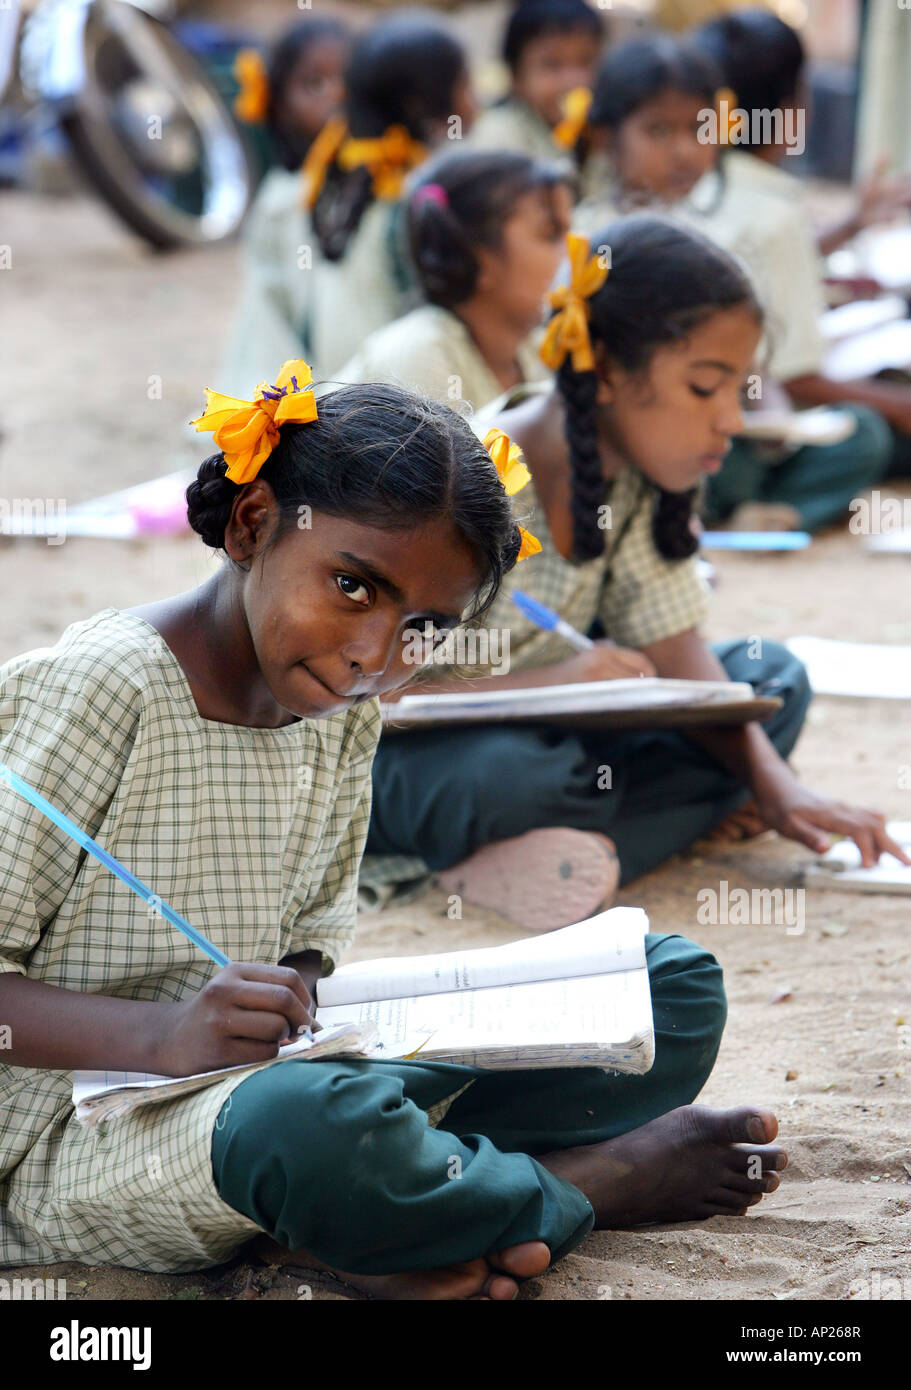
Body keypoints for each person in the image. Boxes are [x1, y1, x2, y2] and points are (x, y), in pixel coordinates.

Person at [0, 360, 786, 1299]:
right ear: (253, 526)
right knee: (309, 1129)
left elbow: (306, 950)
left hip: (260, 1080)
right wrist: (167, 1035)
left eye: (424, 627)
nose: (377, 655)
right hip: (70, 1144)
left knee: (667, 992)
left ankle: (403, 1206)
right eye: (352, 586)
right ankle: (576, 1186)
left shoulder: (342, 713)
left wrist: (297, 1002)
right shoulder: (105, 687)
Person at [366, 221, 908, 912]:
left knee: (767, 683)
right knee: (522, 776)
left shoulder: (644, 477)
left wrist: (779, 789)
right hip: (411, 759)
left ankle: (566, 850)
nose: (730, 423)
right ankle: (601, 840)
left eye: (736, 390)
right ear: (612, 372)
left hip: (559, 735)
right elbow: (370, 699)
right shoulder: (461, 486)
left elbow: (675, 647)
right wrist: (552, 684)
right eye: (704, 388)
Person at [575, 33, 891, 532]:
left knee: (864, 436)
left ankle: (768, 513)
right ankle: (708, 509)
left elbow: (755, 363)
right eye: (658, 131)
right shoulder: (586, 236)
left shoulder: (725, 230)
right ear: (607, 138)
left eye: (699, 129)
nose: (683, 150)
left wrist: (777, 416)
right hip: (647, 433)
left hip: (729, 431)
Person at [689, 8, 911, 478]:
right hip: (735, 447)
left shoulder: (690, 183)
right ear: (794, 107)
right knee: (871, 434)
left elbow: (748, 258)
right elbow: (797, 378)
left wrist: (850, 226)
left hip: (695, 426)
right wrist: (898, 404)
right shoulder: (778, 210)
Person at [222, 13, 477, 391]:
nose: (336, 96)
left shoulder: (367, 187)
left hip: (353, 389)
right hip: (374, 393)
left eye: (345, 81)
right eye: (314, 83)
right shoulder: (395, 197)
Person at [336, 149, 571, 412]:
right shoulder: (419, 357)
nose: (573, 250)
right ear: (480, 256)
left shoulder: (535, 352)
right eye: (551, 235)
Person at [468, 0, 606, 197]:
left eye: (586, 61)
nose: (574, 80)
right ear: (516, 77)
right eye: (552, 65)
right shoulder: (498, 135)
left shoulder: (602, 131)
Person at [233, 17, 350, 172]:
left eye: (348, 78)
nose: (338, 94)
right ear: (280, 105)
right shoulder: (283, 192)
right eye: (315, 84)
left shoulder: (382, 176)